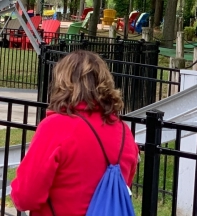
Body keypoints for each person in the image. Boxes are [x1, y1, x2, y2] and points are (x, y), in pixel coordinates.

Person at [11, 50, 139, 216]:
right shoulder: (124, 131)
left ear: (62, 83)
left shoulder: (55, 127)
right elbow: (125, 183)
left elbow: (25, 197)